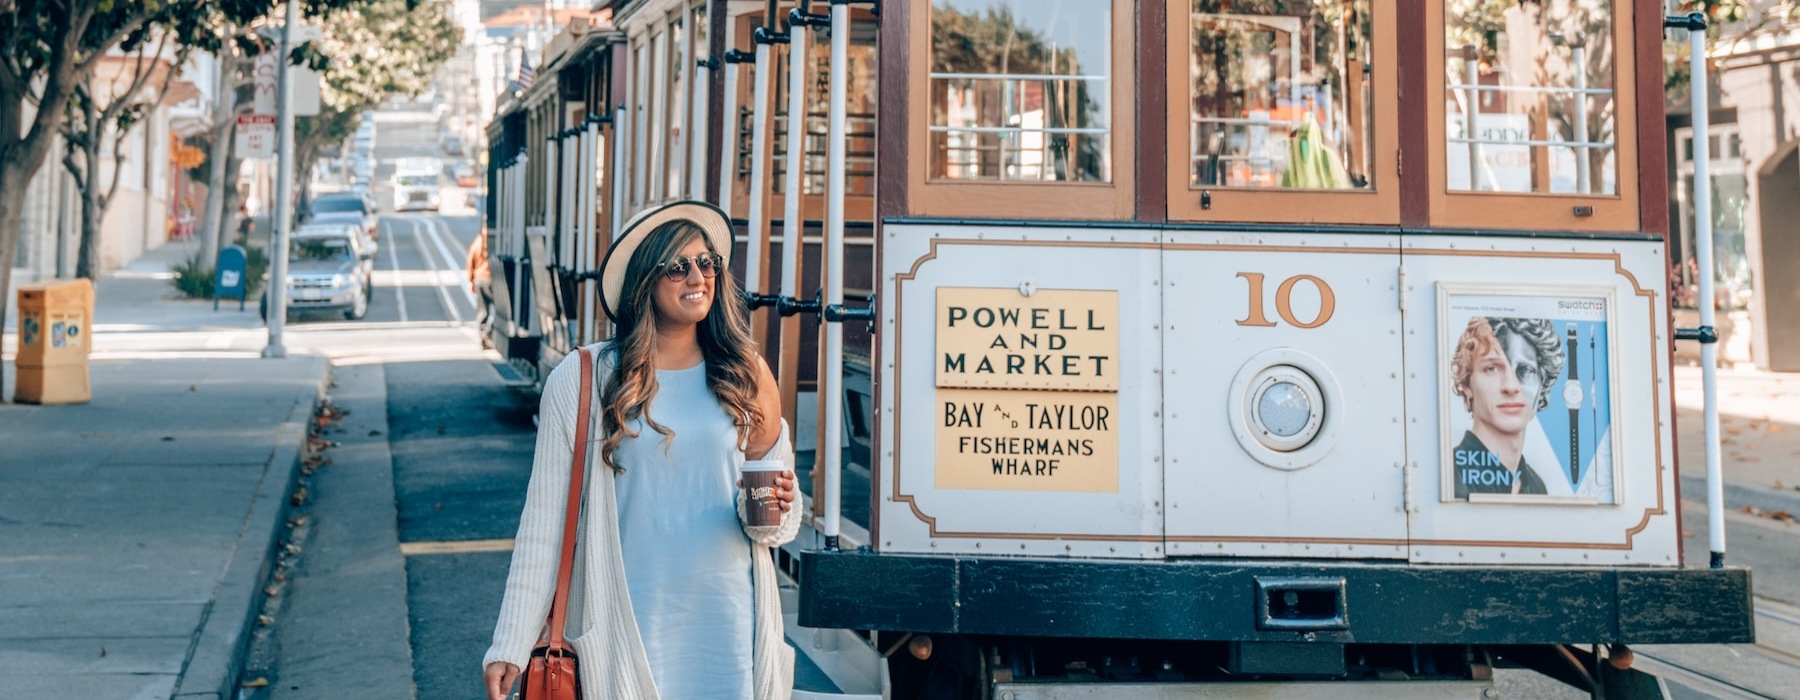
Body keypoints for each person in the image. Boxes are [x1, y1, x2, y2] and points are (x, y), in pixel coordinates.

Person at [483, 201, 801, 700]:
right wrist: (511, 640)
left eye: (707, 262)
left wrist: (776, 506)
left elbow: (768, 519)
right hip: (625, 633)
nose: (698, 276)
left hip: (731, 631)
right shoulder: (585, 379)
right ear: (643, 282)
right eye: (677, 266)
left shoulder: (747, 374)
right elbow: (543, 522)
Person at [1448, 316, 1564, 498]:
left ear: (1542, 387)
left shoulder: (1536, 486)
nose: (1511, 386)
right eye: (1492, 368)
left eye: (1525, 370)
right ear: (1467, 384)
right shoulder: (1449, 474)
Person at [466, 227, 493, 343]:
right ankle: (488, 333)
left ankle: (482, 335)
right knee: (495, 309)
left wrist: (470, 281)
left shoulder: (476, 244)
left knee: (482, 309)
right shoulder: (493, 244)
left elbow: (470, 263)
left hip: (479, 279)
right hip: (490, 279)